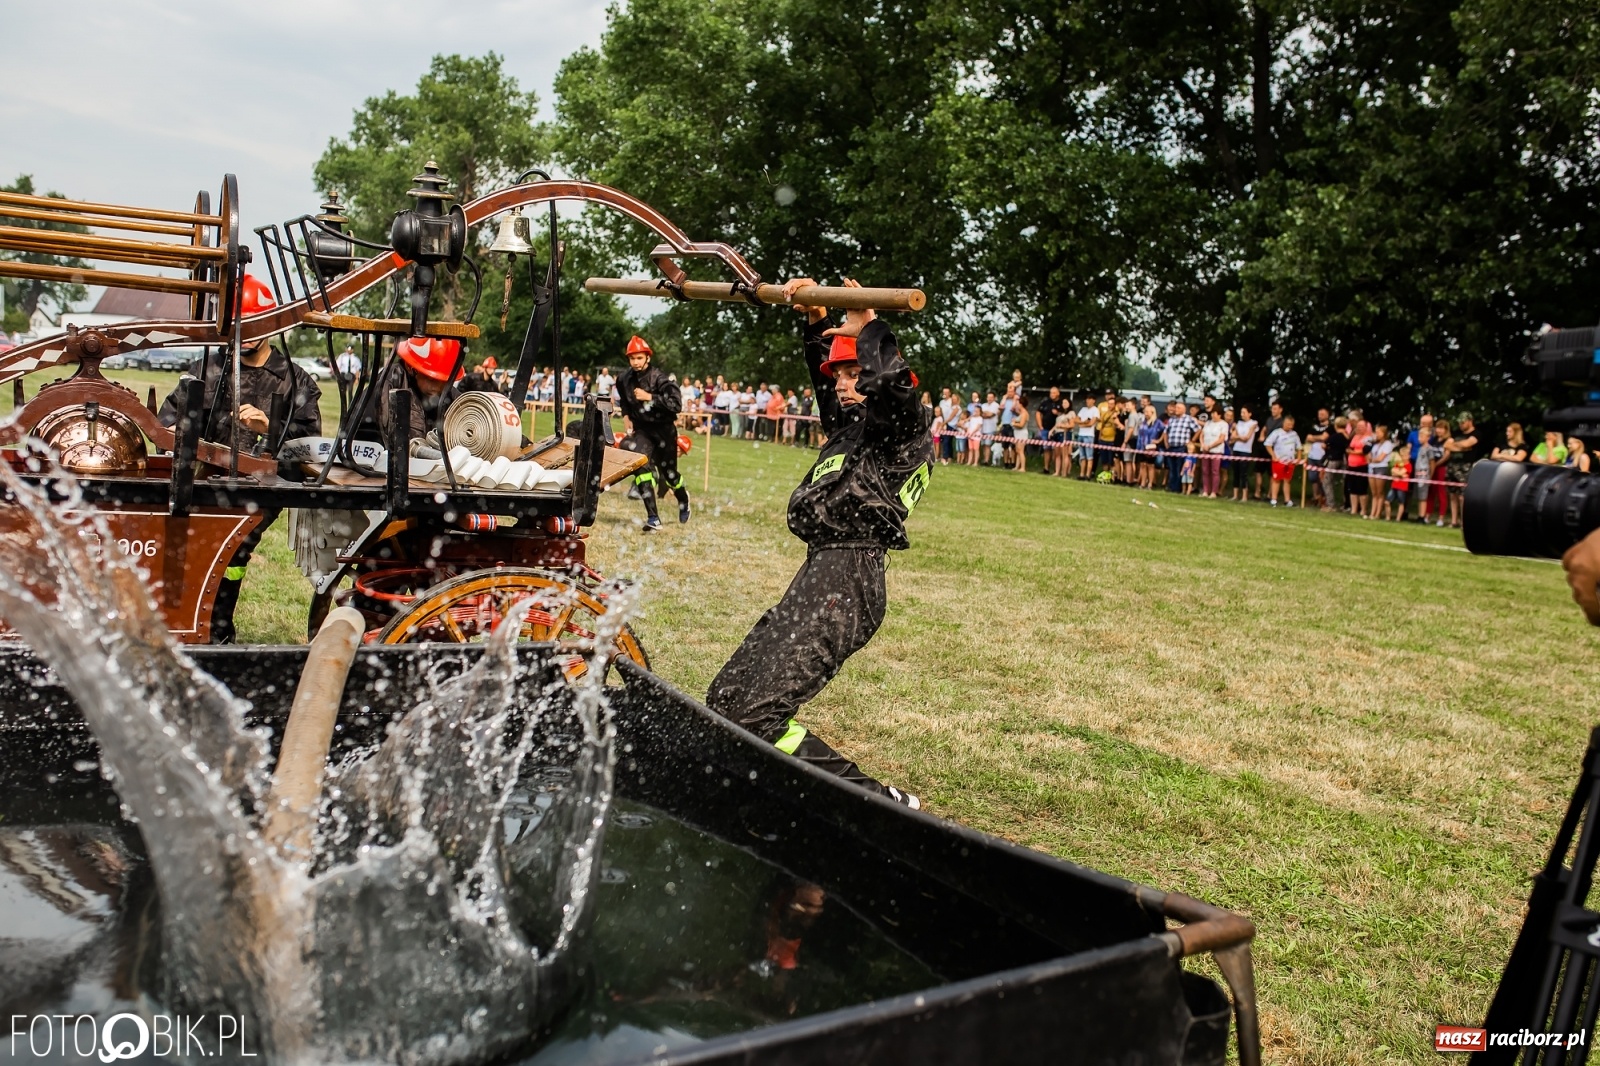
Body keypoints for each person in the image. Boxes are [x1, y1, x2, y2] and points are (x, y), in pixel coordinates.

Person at [706, 277, 932, 808]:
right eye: (842, 374)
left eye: (856, 374)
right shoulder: (852, 431)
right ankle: (759, 786)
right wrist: (814, 321)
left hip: (849, 580)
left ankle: (879, 804)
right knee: (727, 700)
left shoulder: (902, 428)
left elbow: (893, 387)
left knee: (753, 715)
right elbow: (826, 381)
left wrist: (872, 325)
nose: (844, 383)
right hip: (819, 574)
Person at [156, 274, 322, 644]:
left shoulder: (293, 381)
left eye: (251, 325)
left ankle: (217, 630)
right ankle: (196, 628)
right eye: (237, 327)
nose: (243, 335)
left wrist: (269, 428)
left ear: (270, 323)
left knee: (232, 553)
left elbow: (309, 445)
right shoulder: (209, 370)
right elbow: (170, 422)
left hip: (260, 491)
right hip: (206, 483)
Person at [614, 335, 690, 532]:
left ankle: (683, 499)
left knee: (670, 475)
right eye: (632, 358)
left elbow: (676, 405)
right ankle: (653, 518)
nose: (636, 362)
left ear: (647, 357)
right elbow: (624, 401)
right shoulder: (623, 379)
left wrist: (651, 397)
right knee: (640, 465)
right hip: (643, 431)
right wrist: (626, 417)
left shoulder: (661, 379)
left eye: (639, 358)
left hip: (664, 431)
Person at [1444, 412, 1481, 528]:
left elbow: (1468, 444)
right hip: (1452, 466)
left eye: (1463, 422)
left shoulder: (1476, 434)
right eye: (1459, 422)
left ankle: (1463, 522)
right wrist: (1461, 447)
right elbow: (1447, 445)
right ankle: (1454, 521)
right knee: (1452, 495)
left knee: (1463, 496)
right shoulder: (1456, 433)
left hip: (1466, 467)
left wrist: (1456, 446)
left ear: (1470, 421)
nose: (1460, 424)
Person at [1161, 403, 1200, 492]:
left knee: (1180, 468)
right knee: (1171, 468)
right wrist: (1166, 443)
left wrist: (1192, 441)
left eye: (1178, 408)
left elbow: (1198, 429)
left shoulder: (1189, 419)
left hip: (1182, 447)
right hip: (1171, 447)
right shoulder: (1171, 420)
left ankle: (1178, 488)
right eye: (1175, 408)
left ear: (1183, 410)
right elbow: (1165, 431)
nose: (1176, 409)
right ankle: (1171, 487)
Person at [1264, 415, 1301, 506]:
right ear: (1284, 423)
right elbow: (1268, 444)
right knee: (1276, 479)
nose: (1290, 426)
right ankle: (1274, 499)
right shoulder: (1277, 433)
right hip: (1278, 461)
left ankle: (1287, 500)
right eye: (1288, 424)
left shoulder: (1294, 434)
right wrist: (1273, 455)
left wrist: (1298, 458)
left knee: (1287, 480)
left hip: (1290, 461)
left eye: (1292, 425)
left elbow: (1299, 447)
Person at [1197, 408, 1229, 498]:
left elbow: (1221, 438)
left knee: (1215, 471)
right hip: (1205, 450)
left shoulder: (1224, 424)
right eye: (1212, 413)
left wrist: (1210, 446)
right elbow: (1202, 435)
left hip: (1216, 450)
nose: (1213, 415)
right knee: (1205, 470)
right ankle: (1206, 490)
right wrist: (1203, 444)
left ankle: (1214, 492)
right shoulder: (1208, 423)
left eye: (1215, 413)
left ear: (1219, 415)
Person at [1367, 425, 1395, 519]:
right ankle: (1372, 512)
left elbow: (1380, 458)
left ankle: (1378, 513)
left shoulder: (1388, 444)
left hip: (1381, 468)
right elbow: (1369, 455)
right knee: (1374, 493)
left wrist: (1372, 460)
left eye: (1379, 432)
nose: (1377, 434)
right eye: (1376, 432)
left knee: (1380, 492)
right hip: (1372, 468)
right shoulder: (1375, 444)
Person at [1231, 405, 1258, 501]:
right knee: (1236, 472)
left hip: (1245, 451)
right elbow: (1232, 438)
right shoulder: (1238, 423)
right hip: (1236, 449)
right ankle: (1235, 495)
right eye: (1241, 412)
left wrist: (1238, 436)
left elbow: (1246, 438)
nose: (1242, 414)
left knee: (1244, 473)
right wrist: (1239, 437)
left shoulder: (1253, 423)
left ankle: (1244, 496)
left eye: (1244, 412)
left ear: (1250, 414)